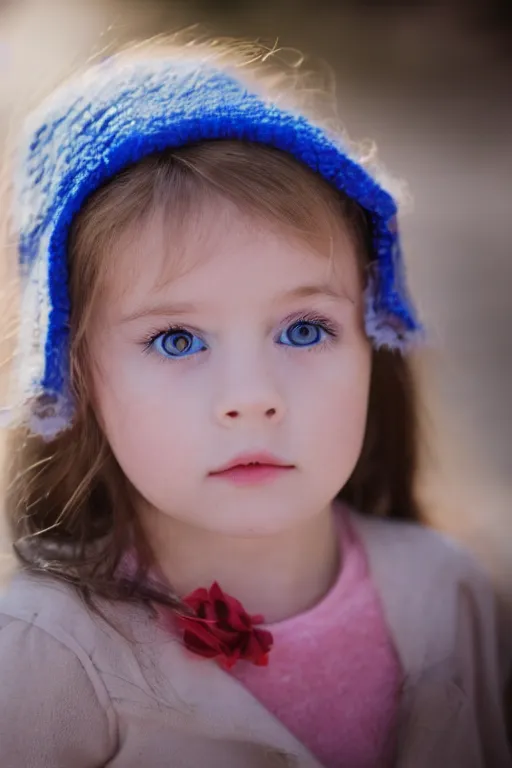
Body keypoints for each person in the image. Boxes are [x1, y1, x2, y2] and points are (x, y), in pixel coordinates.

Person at [0, 36, 509, 768]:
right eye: (176, 339)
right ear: (69, 372)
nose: (252, 399)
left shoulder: (451, 593)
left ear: (374, 335)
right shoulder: (48, 659)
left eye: (305, 329)